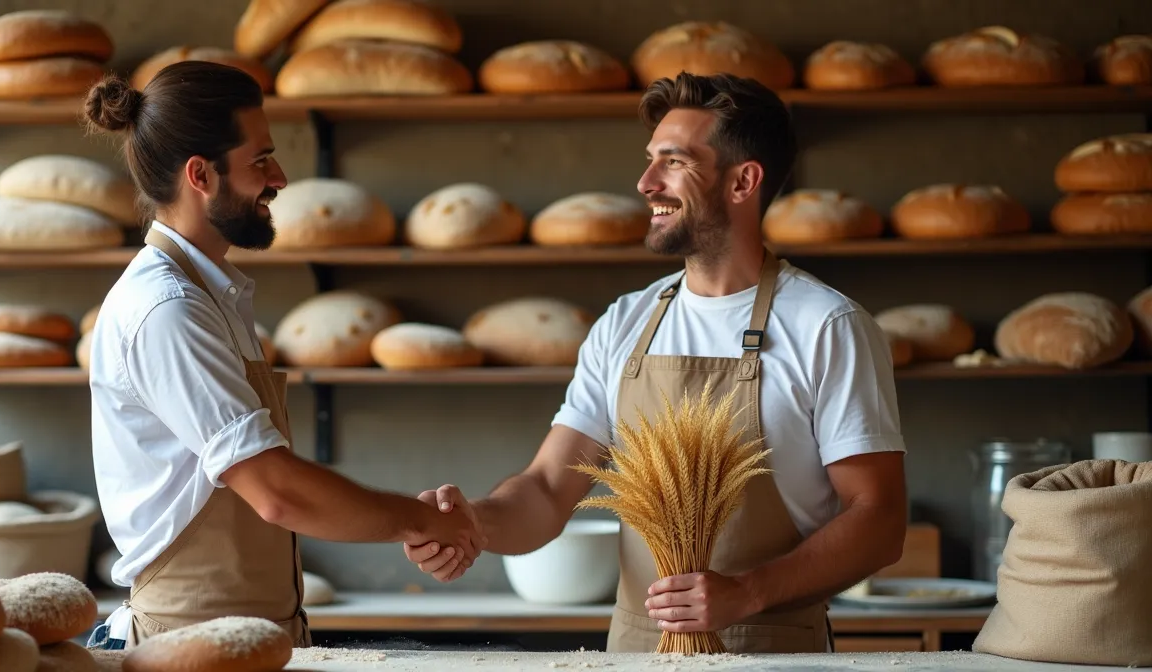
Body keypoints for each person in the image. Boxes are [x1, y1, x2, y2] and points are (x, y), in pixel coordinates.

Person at [404, 72, 908, 654]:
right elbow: (546, 490)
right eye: (650, 161)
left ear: (743, 181)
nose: (646, 183)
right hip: (636, 654)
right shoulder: (626, 323)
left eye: (674, 162)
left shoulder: (827, 327)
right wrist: (474, 523)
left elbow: (879, 519)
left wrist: (745, 592)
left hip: (772, 655)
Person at [81, 61, 484, 651]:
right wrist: (418, 520)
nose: (280, 178)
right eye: (260, 159)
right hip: (185, 646)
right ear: (201, 175)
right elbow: (277, 491)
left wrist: (413, 518)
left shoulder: (211, 295)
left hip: (245, 639)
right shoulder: (167, 310)